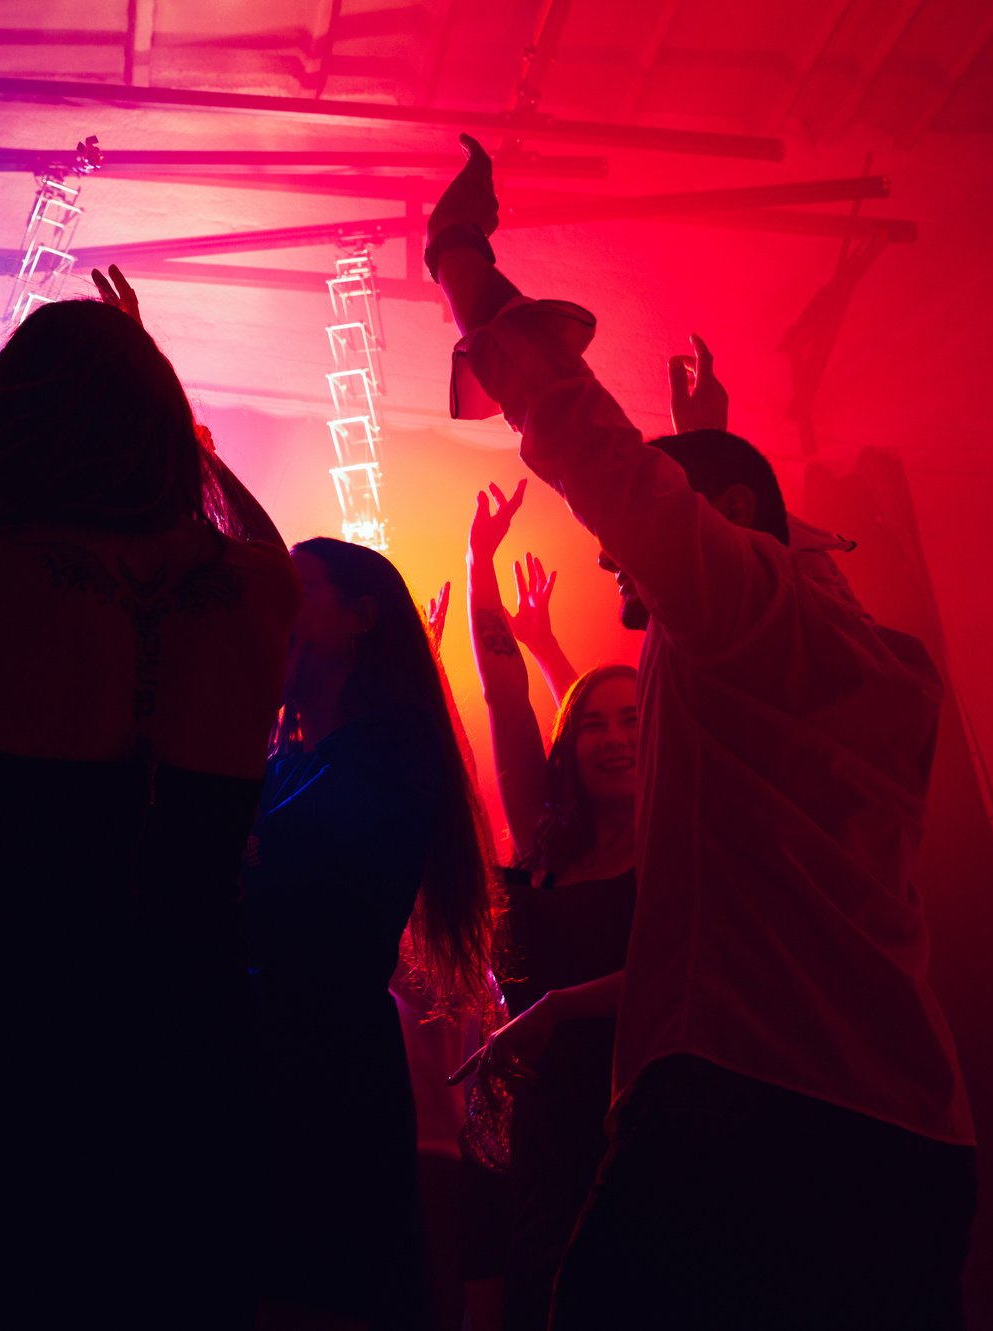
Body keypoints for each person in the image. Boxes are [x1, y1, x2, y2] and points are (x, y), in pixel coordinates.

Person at [426, 135, 976, 1330]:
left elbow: (598, 451)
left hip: (756, 1103)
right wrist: (728, 455)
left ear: (721, 522)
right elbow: (783, 557)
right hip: (913, 1131)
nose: (622, 567)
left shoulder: (739, 620)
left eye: (645, 548)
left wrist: (462, 265)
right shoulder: (887, 661)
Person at [0, 272, 300, 1330]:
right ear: (164, 426)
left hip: (4, 1029)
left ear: (17, 427)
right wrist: (176, 423)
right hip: (187, 1029)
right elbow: (262, 545)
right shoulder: (258, 588)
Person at [241, 537, 496, 1330]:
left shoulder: (393, 749)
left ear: (361, 617)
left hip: (328, 1074)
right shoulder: (290, 760)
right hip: (276, 1065)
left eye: (299, 590)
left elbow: (277, 879)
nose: (277, 610)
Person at [449, 476, 637, 1331]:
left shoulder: (686, 843)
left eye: (634, 719)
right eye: (594, 722)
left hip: (651, 1117)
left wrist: (561, 1008)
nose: (614, 737)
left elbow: (696, 968)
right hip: (552, 1126)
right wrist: (479, 561)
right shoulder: (546, 840)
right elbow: (500, 683)